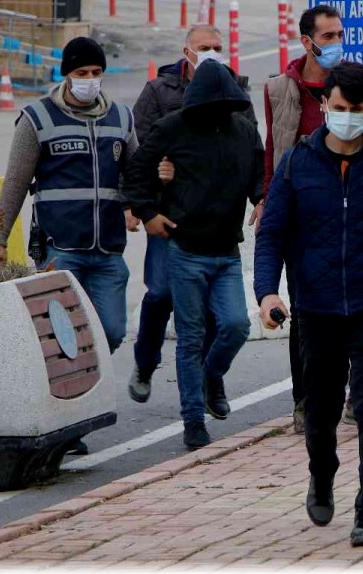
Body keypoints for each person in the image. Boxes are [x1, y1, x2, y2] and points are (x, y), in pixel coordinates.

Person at [255, 61, 363, 547]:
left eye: (356, 109)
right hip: (316, 310)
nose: (345, 117)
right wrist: (267, 292)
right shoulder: (298, 163)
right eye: (338, 108)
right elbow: (272, 234)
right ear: (324, 106)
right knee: (319, 414)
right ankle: (322, 476)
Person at [0, 36, 136, 456]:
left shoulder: (121, 118)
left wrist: (134, 206)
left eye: (95, 73)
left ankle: (76, 402)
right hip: (59, 250)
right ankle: (71, 423)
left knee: (108, 331)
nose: (90, 81)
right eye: (81, 73)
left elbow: (133, 171)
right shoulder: (37, 118)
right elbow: (15, 183)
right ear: (66, 75)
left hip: (107, 249)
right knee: (63, 339)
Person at [262, 3, 363, 434]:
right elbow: (274, 147)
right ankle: (309, 401)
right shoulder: (281, 89)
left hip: (353, 202)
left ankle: (360, 398)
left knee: (361, 315)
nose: (336, 43)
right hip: (300, 201)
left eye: (340, 35)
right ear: (307, 42)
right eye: (328, 36)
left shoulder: (359, 85)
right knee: (304, 309)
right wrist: (267, 196)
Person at [123, 60, 264, 450]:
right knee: (190, 338)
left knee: (236, 325)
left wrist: (262, 198)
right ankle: (193, 421)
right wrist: (147, 212)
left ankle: (211, 375)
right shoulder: (173, 127)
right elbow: (137, 168)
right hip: (184, 250)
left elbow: (258, 173)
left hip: (227, 252)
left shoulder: (245, 131)